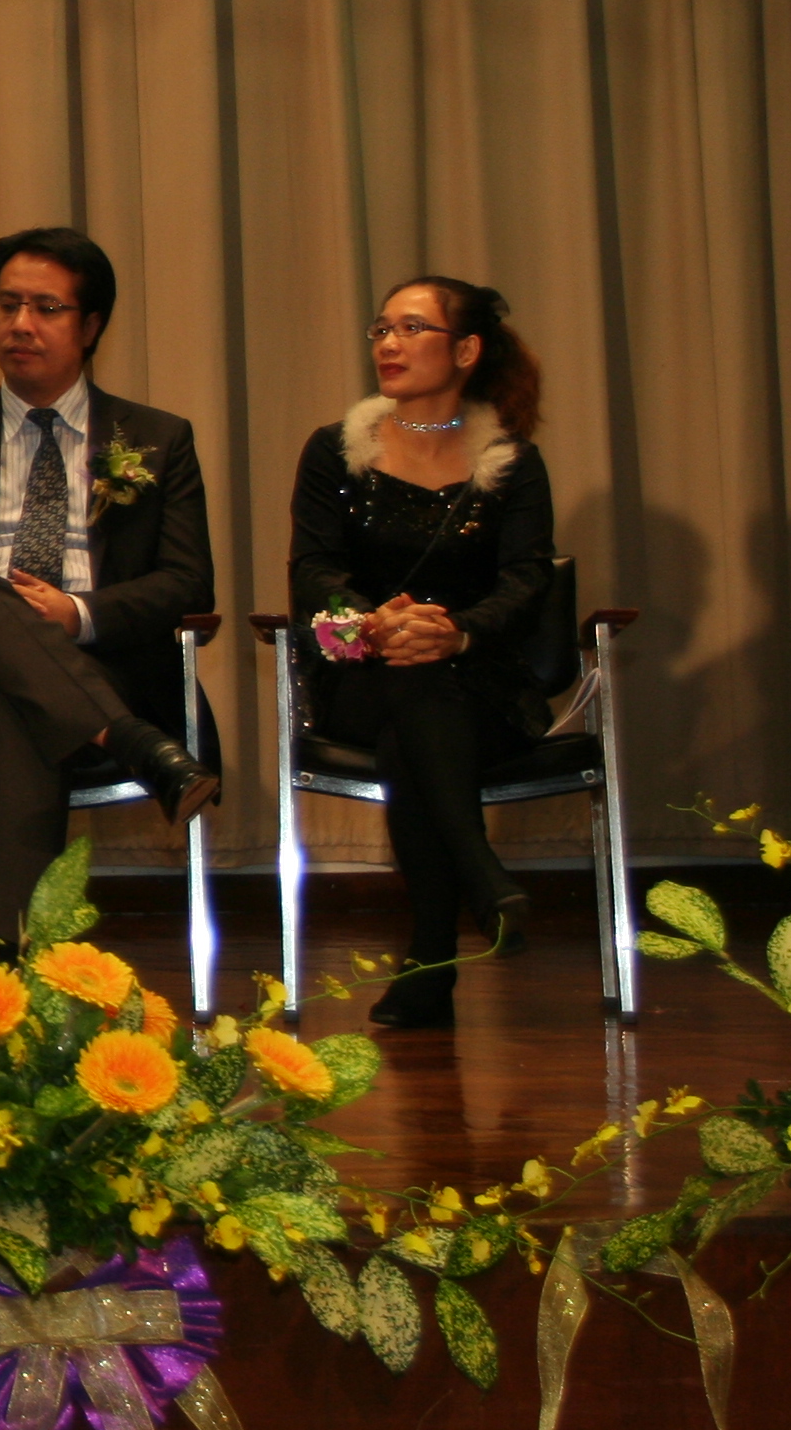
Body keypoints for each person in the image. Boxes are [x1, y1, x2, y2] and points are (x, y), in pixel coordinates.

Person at [0, 228, 220, 940]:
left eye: (46, 308)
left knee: (9, 700)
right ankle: (139, 746)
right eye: (7, 304)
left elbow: (186, 583)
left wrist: (77, 614)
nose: (20, 324)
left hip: (101, 669)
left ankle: (17, 963)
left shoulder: (159, 437)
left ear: (90, 327)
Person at [289, 277, 556, 1029]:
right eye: (382, 330)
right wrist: (371, 621)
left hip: (481, 683)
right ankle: (481, 878)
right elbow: (312, 570)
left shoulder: (511, 461)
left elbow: (527, 579)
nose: (389, 344)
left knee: (417, 714)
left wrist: (457, 631)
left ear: (465, 350)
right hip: (358, 669)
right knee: (410, 686)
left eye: (411, 329)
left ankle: (432, 962)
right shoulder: (336, 451)